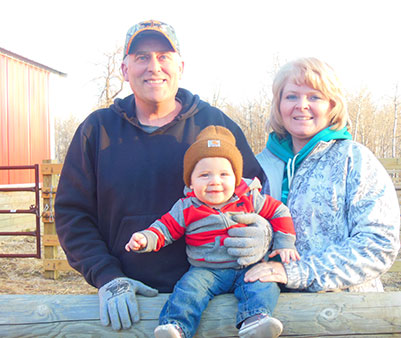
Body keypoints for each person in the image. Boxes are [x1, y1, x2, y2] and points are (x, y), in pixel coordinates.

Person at [54, 20, 272, 331]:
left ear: (180, 66)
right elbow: (71, 213)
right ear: (124, 69)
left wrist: (262, 234)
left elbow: (254, 192)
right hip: (130, 305)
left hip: (214, 302)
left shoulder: (214, 126)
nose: (153, 67)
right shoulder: (97, 130)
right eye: (141, 57)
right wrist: (107, 277)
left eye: (163, 56)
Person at [125, 125, 299, 338]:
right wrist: (145, 238)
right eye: (204, 175)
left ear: (235, 178)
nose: (215, 181)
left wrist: (284, 242)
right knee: (188, 291)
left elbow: (279, 211)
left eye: (224, 174)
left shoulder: (249, 199)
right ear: (191, 181)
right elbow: (165, 228)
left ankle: (256, 321)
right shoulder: (187, 207)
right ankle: (175, 326)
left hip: (246, 266)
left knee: (264, 284)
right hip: (206, 271)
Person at [244, 57, 401, 292]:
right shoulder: (257, 166)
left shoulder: (355, 160)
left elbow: (379, 244)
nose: (302, 105)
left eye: (314, 97)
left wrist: (297, 272)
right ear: (278, 105)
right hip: (268, 308)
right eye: (291, 96)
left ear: (332, 106)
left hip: (345, 312)